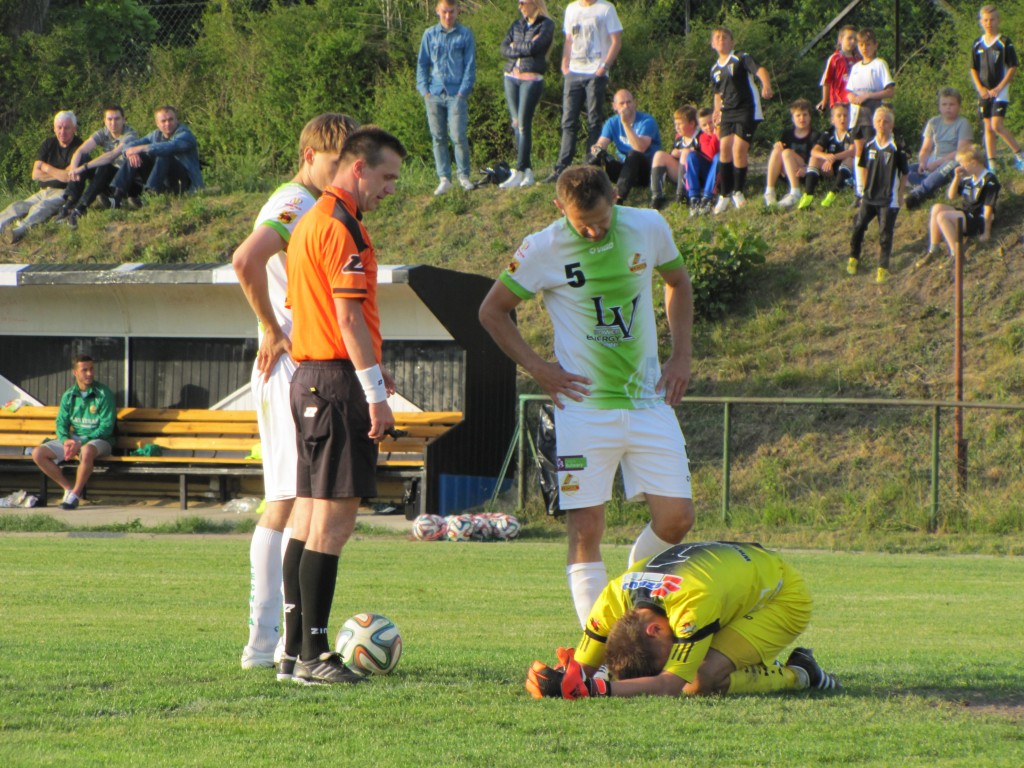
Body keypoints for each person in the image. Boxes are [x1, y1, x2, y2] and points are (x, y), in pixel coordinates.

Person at [479, 165, 696, 629]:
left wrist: (681, 357)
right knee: (585, 530)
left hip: (648, 402)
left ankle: (631, 591)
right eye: (584, 225)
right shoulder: (542, 247)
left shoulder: (649, 226)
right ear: (560, 209)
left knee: (677, 519)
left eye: (601, 219)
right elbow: (492, 311)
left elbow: (678, 281)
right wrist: (538, 368)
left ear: (616, 196)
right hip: (580, 411)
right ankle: (601, 649)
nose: (595, 231)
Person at [232, 113, 358, 672]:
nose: (344, 175)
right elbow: (246, 258)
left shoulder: (321, 207)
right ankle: (268, 643)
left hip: (302, 361)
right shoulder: (295, 201)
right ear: (309, 156)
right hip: (291, 363)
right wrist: (269, 325)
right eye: (336, 163)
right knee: (287, 501)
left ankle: (281, 644)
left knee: (295, 502)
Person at [280, 126, 406, 685]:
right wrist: (374, 394)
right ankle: (313, 656)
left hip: (309, 377)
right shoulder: (341, 227)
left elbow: (321, 313)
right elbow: (348, 319)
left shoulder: (308, 223)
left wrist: (370, 367)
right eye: (387, 177)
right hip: (333, 385)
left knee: (307, 518)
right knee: (333, 522)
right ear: (358, 168)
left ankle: (291, 654)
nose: (390, 189)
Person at [525, 541, 841, 699]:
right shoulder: (609, 601)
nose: (675, 651)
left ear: (654, 628)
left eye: (669, 647)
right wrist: (554, 681)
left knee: (700, 681)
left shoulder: (691, 605)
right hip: (733, 573)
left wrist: (597, 691)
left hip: (782, 597)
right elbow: (577, 673)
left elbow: (671, 684)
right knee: (698, 669)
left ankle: (802, 674)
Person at [544, 0, 623, 183]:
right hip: (574, 72)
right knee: (568, 120)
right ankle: (562, 168)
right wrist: (565, 65)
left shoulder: (606, 8)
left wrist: (604, 66)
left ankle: (591, 165)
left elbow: (616, 40)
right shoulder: (571, 9)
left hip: (595, 71)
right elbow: (569, 39)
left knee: (594, 119)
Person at [31, 355, 116, 511]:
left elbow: (107, 427)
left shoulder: (104, 393)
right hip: (74, 440)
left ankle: (75, 496)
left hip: (99, 440)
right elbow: (61, 422)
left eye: (91, 369)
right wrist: (65, 440)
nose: (89, 373)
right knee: (38, 453)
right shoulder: (69, 395)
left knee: (87, 450)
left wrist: (81, 442)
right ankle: (69, 489)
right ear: (75, 373)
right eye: (85, 370)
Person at [709, 26, 773, 214]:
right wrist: (716, 111)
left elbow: (760, 70)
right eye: (718, 38)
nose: (721, 40)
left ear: (732, 41)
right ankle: (724, 194)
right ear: (713, 44)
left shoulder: (741, 58)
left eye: (725, 37)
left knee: (739, 150)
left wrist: (766, 85)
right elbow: (718, 93)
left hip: (747, 109)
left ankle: (738, 191)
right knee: (724, 150)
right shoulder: (714, 69)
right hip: (727, 112)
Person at [417, 0, 476, 196]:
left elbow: (470, 66)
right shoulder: (429, 35)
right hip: (434, 92)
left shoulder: (465, 35)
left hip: (455, 93)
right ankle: (444, 178)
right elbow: (422, 64)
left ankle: (463, 176)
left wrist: (462, 92)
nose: (448, 16)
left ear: (458, 11)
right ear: (437, 11)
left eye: (451, 12)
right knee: (438, 137)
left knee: (458, 136)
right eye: (444, 12)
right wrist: (424, 90)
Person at [0, 110, 82, 244]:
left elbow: (67, 177)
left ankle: (19, 230)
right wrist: (57, 172)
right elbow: (35, 174)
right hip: (44, 190)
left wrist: (46, 167)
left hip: (65, 192)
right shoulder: (48, 143)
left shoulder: (79, 148)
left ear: (74, 129)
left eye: (67, 128)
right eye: (59, 128)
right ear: (54, 128)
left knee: (42, 207)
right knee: (19, 205)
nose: (62, 131)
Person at [498, 0, 555, 190]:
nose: (520, 6)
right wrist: (520, 47)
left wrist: (516, 47)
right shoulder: (517, 24)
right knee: (516, 123)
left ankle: (519, 169)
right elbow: (503, 48)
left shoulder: (546, 24)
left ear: (535, 3)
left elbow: (534, 49)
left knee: (523, 124)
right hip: (511, 77)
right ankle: (527, 170)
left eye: (523, 2)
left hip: (531, 79)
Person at [848, 107, 909, 285]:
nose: (882, 124)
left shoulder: (896, 148)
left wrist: (900, 194)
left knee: (885, 233)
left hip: (888, 200)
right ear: (874, 124)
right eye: (879, 121)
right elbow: (863, 167)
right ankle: (854, 257)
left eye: (886, 121)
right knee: (859, 226)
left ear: (892, 125)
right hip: (869, 197)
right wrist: (865, 189)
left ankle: (883, 267)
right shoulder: (868, 145)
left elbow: (904, 173)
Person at [916, 144, 1000, 269]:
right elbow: (951, 196)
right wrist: (956, 178)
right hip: (966, 214)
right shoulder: (969, 178)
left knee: (942, 216)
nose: (961, 167)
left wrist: (986, 232)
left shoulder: (989, 180)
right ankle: (934, 250)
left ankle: (957, 255)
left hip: (979, 219)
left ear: (973, 163)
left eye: (963, 163)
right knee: (936, 208)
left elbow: (988, 208)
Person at [56, 104, 139, 228]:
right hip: (104, 178)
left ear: (124, 120)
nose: (113, 123)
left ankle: (80, 209)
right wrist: (73, 170)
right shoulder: (104, 132)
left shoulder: (130, 135)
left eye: (117, 119)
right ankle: (70, 203)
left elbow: (111, 155)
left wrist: (84, 167)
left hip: (121, 182)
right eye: (109, 119)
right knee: (82, 158)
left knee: (105, 165)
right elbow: (80, 150)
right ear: (104, 121)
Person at [108, 105, 203, 208]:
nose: (167, 123)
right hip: (162, 180)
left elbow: (169, 146)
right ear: (157, 123)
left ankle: (149, 197)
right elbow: (130, 145)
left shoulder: (185, 135)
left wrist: (141, 148)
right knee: (136, 156)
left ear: (177, 120)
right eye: (163, 121)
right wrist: (130, 152)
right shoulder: (155, 135)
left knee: (164, 154)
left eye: (171, 119)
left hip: (182, 182)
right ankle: (116, 198)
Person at [969, 5, 1024, 172]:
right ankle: (992, 163)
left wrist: (999, 87)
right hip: (985, 92)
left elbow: (1013, 66)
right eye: (985, 20)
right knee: (987, 127)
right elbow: (973, 68)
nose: (989, 23)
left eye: (992, 19)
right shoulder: (977, 43)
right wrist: (980, 88)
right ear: (981, 21)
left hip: (1000, 91)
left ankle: (1019, 154)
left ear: (998, 20)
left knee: (997, 125)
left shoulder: (1004, 42)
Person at [845, 28, 895, 203]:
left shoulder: (879, 64)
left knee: (873, 151)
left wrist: (869, 96)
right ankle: (860, 191)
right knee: (858, 151)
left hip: (873, 114)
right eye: (860, 44)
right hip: (856, 115)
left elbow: (889, 91)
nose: (864, 48)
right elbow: (849, 91)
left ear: (875, 45)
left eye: (867, 44)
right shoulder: (856, 67)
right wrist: (852, 97)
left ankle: (877, 188)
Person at [904, 89, 974, 210]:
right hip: (931, 162)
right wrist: (922, 162)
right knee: (904, 169)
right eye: (944, 104)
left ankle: (918, 194)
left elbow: (961, 152)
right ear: (939, 107)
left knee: (952, 164)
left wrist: (935, 164)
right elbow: (926, 148)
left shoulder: (963, 123)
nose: (948, 108)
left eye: (951, 104)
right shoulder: (933, 122)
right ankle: (932, 186)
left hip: (950, 162)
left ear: (958, 106)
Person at [589, 89, 661, 203]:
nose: (626, 106)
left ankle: (619, 197)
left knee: (633, 154)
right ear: (614, 106)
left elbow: (640, 148)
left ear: (634, 103)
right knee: (594, 158)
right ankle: (586, 193)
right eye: (622, 103)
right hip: (625, 170)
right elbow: (602, 142)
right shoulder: (612, 122)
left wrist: (626, 124)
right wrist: (597, 149)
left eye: (629, 102)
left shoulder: (647, 121)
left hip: (645, 170)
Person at [649, 105, 718, 213]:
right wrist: (676, 153)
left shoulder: (700, 136)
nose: (677, 127)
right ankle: (657, 196)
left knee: (686, 153)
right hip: (682, 173)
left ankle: (683, 195)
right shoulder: (679, 139)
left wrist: (683, 152)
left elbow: (704, 155)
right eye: (675, 124)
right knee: (659, 155)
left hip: (698, 175)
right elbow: (673, 153)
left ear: (692, 124)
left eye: (680, 124)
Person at [763, 98, 821, 209]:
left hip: (804, 171)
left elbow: (817, 157)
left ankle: (795, 192)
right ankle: (770, 191)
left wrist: (807, 168)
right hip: (787, 171)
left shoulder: (815, 135)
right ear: (793, 118)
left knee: (787, 153)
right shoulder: (787, 134)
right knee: (777, 149)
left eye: (805, 115)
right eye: (798, 115)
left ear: (810, 117)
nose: (802, 118)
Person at [801, 102, 856, 209]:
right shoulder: (829, 133)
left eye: (845, 115)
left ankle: (833, 193)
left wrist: (833, 157)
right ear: (832, 120)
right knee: (814, 159)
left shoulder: (853, 132)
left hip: (848, 170)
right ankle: (808, 194)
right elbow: (814, 151)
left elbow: (852, 151)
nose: (842, 119)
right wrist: (826, 156)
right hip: (831, 169)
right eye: (839, 116)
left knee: (850, 159)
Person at [817, 25, 860, 113]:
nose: (852, 42)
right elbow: (826, 81)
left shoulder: (859, 59)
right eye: (849, 38)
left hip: (856, 102)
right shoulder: (835, 58)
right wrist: (825, 100)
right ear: (841, 39)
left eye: (855, 39)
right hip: (839, 102)